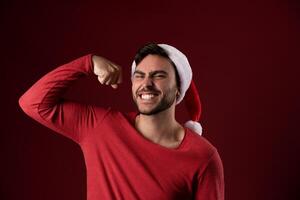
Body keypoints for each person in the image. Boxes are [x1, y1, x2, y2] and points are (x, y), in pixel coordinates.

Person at [19, 43, 225, 200]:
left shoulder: (203, 157)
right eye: (139, 75)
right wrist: (88, 63)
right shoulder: (100, 127)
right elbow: (33, 103)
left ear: (179, 88)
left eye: (159, 75)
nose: (146, 84)